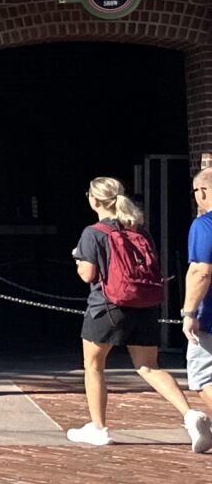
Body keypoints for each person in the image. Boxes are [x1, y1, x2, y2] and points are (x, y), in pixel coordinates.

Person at [68, 175, 195, 446]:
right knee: (148, 366)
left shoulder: (93, 233)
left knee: (94, 366)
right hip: (144, 306)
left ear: (94, 200)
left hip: (106, 308)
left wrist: (78, 260)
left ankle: (99, 428)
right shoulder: (140, 230)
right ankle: (190, 414)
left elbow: (88, 275)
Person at [172, 163, 212, 453]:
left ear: (204, 192)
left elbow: (201, 271)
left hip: (209, 316)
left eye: (200, 191)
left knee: (203, 378)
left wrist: (189, 313)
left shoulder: (204, 225)